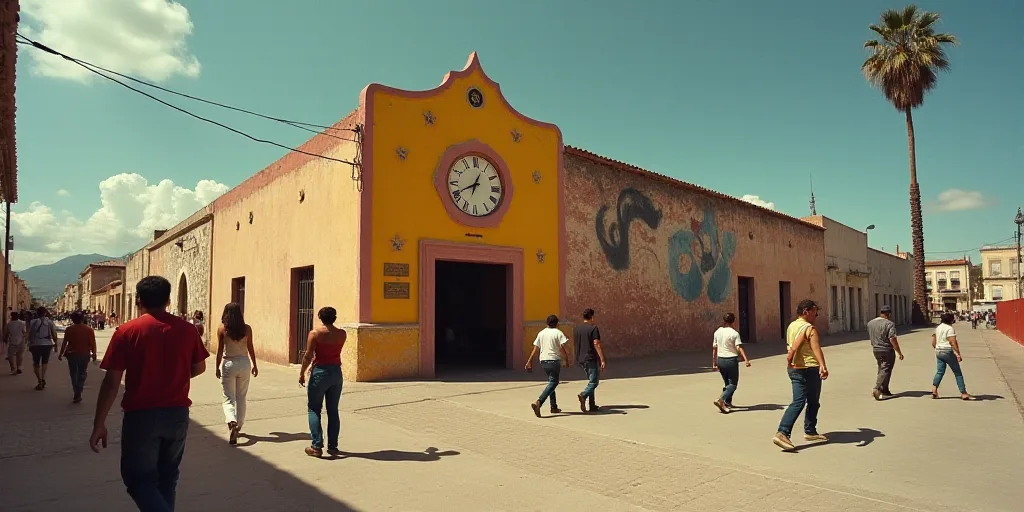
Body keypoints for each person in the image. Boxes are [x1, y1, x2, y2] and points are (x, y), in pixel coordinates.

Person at [89, 276, 210, 511]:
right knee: (167, 478)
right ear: (168, 299)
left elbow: (112, 381)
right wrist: (173, 376)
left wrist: (99, 423)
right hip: (178, 414)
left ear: (138, 300)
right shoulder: (187, 330)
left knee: (138, 480)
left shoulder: (127, 331)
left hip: (142, 416)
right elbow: (199, 367)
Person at [773, 300, 830, 452]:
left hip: (794, 368)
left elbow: (793, 345)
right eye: (814, 311)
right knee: (799, 401)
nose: (816, 315)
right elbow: (816, 348)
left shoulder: (792, 326)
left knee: (813, 401)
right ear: (806, 311)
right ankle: (782, 432)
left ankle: (810, 430)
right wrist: (823, 366)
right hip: (809, 368)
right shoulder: (809, 328)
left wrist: (790, 359)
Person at [298, 307, 346, 458]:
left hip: (320, 372)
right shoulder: (342, 334)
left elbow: (308, 355)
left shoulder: (315, 334)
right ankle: (333, 446)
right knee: (333, 410)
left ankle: (316, 446)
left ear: (320, 317)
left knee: (313, 408)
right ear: (335, 317)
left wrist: (302, 373)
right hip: (336, 373)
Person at [215, 303, 258, 445]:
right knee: (241, 396)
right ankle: (238, 426)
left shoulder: (222, 329)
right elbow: (250, 346)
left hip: (229, 363)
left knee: (228, 397)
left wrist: (217, 367)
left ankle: (231, 421)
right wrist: (254, 364)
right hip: (244, 362)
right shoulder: (247, 329)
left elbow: (220, 350)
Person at [525, 314, 571, 417]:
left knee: (551, 382)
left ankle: (553, 407)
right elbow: (562, 347)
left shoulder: (541, 333)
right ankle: (539, 402)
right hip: (554, 361)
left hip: (543, 361)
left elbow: (535, 348)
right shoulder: (558, 333)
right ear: (557, 323)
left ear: (547, 323)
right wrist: (567, 359)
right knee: (554, 382)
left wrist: (529, 361)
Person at [711, 312, 750, 413]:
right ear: (733, 321)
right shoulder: (734, 333)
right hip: (731, 360)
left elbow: (714, 348)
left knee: (727, 383)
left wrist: (714, 362)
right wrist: (746, 360)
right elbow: (738, 347)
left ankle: (727, 402)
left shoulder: (717, 331)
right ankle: (721, 399)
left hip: (721, 360)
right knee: (733, 384)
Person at [58, 312, 97, 403]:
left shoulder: (69, 329)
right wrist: (94, 353)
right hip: (84, 354)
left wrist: (60, 354)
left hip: (72, 354)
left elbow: (64, 343)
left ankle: (76, 390)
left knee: (73, 373)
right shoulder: (89, 330)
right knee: (82, 373)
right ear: (82, 319)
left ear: (72, 319)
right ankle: (79, 389)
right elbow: (93, 343)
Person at [932, 312, 972, 400]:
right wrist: (958, 354)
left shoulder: (938, 328)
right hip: (948, 351)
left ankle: (934, 390)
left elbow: (933, 341)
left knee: (940, 371)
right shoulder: (950, 328)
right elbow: (952, 342)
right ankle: (963, 393)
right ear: (950, 320)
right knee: (957, 373)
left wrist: (937, 348)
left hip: (939, 351)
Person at [866, 305, 904, 400]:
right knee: (886, 369)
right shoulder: (889, 324)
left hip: (876, 349)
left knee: (882, 368)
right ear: (889, 314)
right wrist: (899, 352)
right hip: (886, 349)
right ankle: (877, 388)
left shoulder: (870, 323)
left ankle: (885, 389)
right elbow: (892, 338)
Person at [574, 308, 606, 413]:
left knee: (590, 381)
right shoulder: (593, 328)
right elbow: (596, 344)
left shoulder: (577, 328)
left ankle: (592, 405)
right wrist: (602, 359)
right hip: (590, 357)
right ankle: (583, 395)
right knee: (594, 382)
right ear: (592, 317)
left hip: (581, 358)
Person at [27, 307, 58, 391]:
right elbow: (54, 334)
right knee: (45, 362)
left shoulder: (33, 322)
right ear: (45, 313)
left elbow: (30, 334)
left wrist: (28, 344)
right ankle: (43, 377)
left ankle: (39, 380)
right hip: (47, 344)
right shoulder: (49, 322)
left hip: (36, 344)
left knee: (36, 363)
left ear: (37, 313)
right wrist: (56, 345)